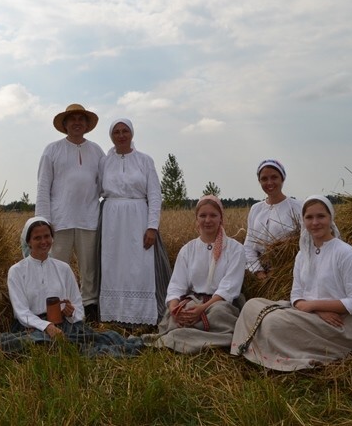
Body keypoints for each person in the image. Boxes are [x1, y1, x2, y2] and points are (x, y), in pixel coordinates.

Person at [231, 195, 352, 371]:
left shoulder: (345, 253)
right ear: (303, 221)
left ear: (330, 218)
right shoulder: (302, 255)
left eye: (321, 216)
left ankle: (266, 354)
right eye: (309, 217)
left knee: (272, 323)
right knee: (251, 305)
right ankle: (252, 347)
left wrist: (314, 307)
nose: (315, 222)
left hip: (340, 324)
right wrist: (317, 309)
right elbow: (296, 296)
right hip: (310, 314)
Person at [0, 217, 143, 357]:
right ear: (28, 241)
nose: (43, 242)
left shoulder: (63, 268)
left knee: (102, 338)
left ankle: (56, 347)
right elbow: (21, 312)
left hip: (64, 324)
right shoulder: (16, 271)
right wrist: (47, 326)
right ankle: (53, 345)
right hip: (32, 326)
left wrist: (70, 313)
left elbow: (77, 304)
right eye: (37, 238)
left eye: (47, 236)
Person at [143, 195, 246, 353]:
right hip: (193, 301)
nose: (207, 220)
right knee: (179, 315)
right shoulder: (188, 249)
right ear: (196, 219)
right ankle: (201, 338)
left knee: (219, 314)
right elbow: (177, 285)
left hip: (220, 303)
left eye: (213, 215)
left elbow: (229, 288)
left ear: (221, 218)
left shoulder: (235, 249)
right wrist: (174, 309)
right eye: (202, 216)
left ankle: (181, 338)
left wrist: (202, 309)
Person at [35, 104, 105, 322]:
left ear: (86, 124)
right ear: (65, 125)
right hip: (59, 221)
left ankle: (89, 306)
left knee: (89, 269)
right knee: (55, 267)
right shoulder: (52, 150)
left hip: (89, 219)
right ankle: (56, 307)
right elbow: (43, 187)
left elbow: (104, 185)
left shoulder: (96, 151)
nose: (77, 122)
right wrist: (42, 223)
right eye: (72, 119)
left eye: (81, 119)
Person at [98, 118, 171, 326]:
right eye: (116, 132)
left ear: (132, 134)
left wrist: (152, 227)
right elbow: (96, 190)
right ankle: (115, 315)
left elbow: (155, 195)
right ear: (111, 136)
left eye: (125, 131)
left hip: (139, 216)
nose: (121, 136)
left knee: (140, 266)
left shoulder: (145, 160)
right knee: (113, 266)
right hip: (112, 220)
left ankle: (142, 316)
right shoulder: (105, 162)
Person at [244, 159, 302, 279]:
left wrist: (281, 269)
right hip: (259, 274)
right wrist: (258, 271)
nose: (269, 182)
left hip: (288, 273)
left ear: (282, 179)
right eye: (264, 179)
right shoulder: (256, 209)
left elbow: (306, 242)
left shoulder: (297, 207)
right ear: (259, 181)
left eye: (274, 177)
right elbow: (249, 245)